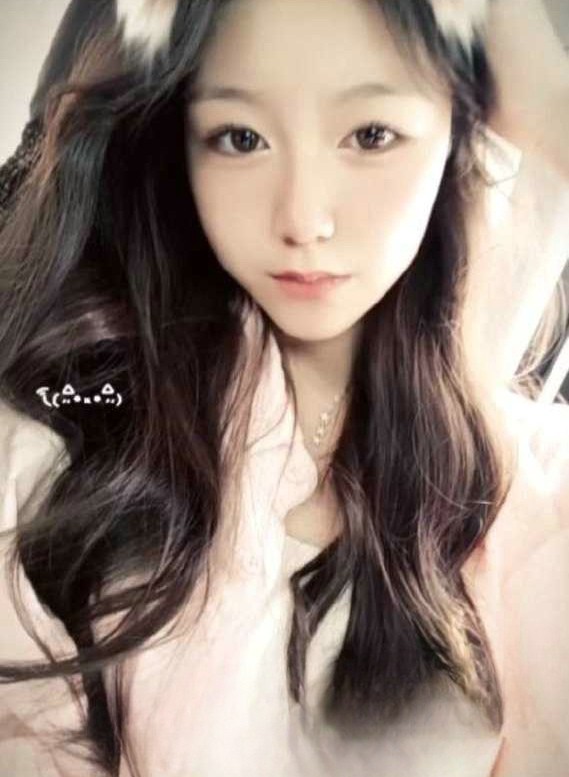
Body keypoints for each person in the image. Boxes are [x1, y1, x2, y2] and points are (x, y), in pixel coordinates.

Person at [0, 1, 568, 776]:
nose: (303, 218)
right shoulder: (56, 451)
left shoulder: (516, 482)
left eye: (370, 134)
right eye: (241, 137)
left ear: (458, 132)